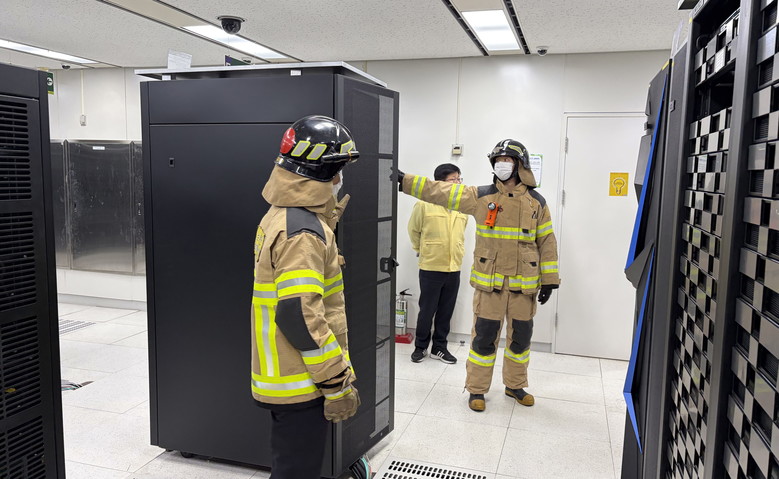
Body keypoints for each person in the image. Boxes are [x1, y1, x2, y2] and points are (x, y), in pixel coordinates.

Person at [397, 139, 560, 412]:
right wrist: (405, 181)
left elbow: (547, 242)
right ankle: (476, 389)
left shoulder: (537, 202)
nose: (501, 165)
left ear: (520, 165)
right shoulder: (481, 197)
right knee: (483, 339)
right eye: (498, 161)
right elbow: (440, 191)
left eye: (507, 160)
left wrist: (550, 280)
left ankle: (515, 385)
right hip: (490, 286)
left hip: (524, 286)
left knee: (520, 340)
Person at [251, 115, 361, 478]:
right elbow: (298, 316)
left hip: (287, 374)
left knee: (292, 466)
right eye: (339, 169)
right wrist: (335, 383)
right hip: (303, 380)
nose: (341, 178)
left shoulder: (283, 215)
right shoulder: (303, 233)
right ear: (323, 169)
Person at [407, 163, 468, 364]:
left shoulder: (462, 205)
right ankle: (420, 347)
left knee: (445, 311)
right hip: (431, 266)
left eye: (459, 178)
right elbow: (414, 230)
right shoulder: (424, 204)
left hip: (454, 267)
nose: (458, 182)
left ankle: (439, 348)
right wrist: (423, 249)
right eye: (453, 179)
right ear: (440, 183)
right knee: (427, 310)